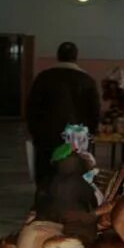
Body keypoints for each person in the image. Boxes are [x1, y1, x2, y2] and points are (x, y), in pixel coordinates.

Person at [25, 41, 99, 190]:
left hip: (46, 136)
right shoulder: (86, 80)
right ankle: (72, 202)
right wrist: (91, 133)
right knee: (74, 171)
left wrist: (35, 132)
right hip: (77, 138)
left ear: (58, 56)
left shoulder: (44, 78)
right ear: (76, 57)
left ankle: (44, 204)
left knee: (46, 172)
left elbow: (31, 108)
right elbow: (94, 111)